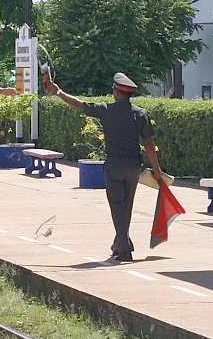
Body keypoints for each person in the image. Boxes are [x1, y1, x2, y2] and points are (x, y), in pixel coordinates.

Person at [44, 72, 164, 261]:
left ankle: (125, 249)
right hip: (133, 164)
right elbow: (148, 142)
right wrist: (156, 169)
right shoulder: (140, 113)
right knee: (127, 205)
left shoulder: (106, 110)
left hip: (114, 164)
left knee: (117, 206)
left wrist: (58, 91)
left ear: (116, 92)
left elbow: (79, 104)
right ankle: (120, 242)